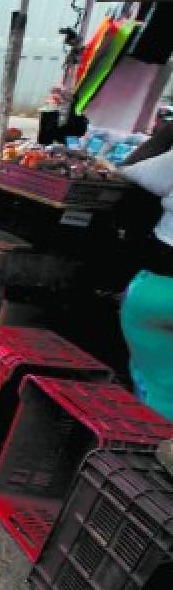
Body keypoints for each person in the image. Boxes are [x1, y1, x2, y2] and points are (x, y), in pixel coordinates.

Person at [117, 121, 173, 421]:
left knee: (155, 373)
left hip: (162, 274)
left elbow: (131, 171)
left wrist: (166, 135)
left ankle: (152, 426)